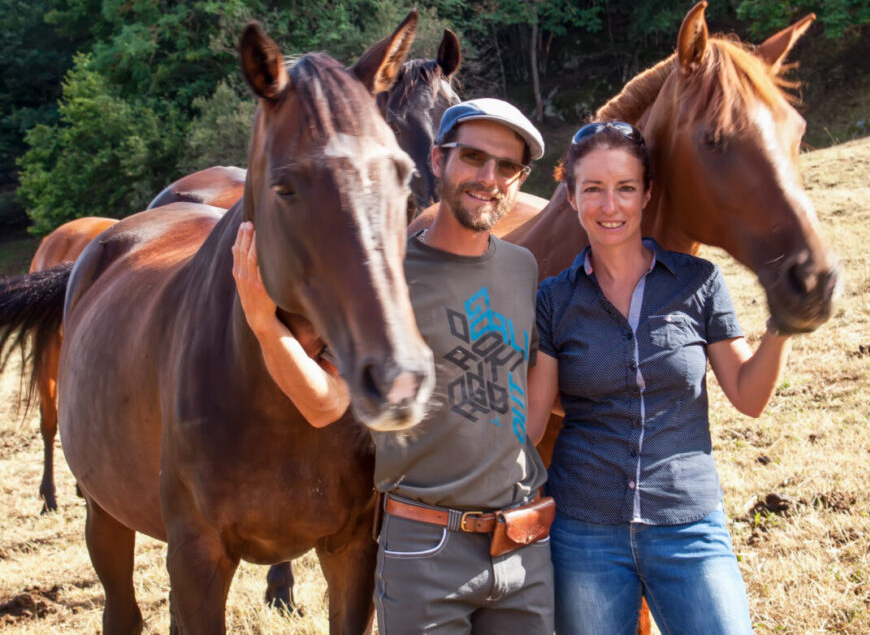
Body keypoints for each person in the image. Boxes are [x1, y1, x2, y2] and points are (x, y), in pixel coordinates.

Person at [232, 98, 555, 634]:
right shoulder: (386, 276)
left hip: (522, 551)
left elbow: (528, 408)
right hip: (427, 550)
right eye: (473, 157)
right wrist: (265, 325)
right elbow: (324, 405)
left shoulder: (523, 269)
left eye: (507, 167)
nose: (489, 178)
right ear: (437, 159)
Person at [526, 121, 792, 635]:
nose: (611, 207)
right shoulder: (554, 299)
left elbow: (749, 396)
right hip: (585, 530)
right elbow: (533, 423)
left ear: (647, 193)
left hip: (688, 523)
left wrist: (781, 326)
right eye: (594, 190)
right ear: (570, 195)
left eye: (625, 188)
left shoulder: (698, 283)